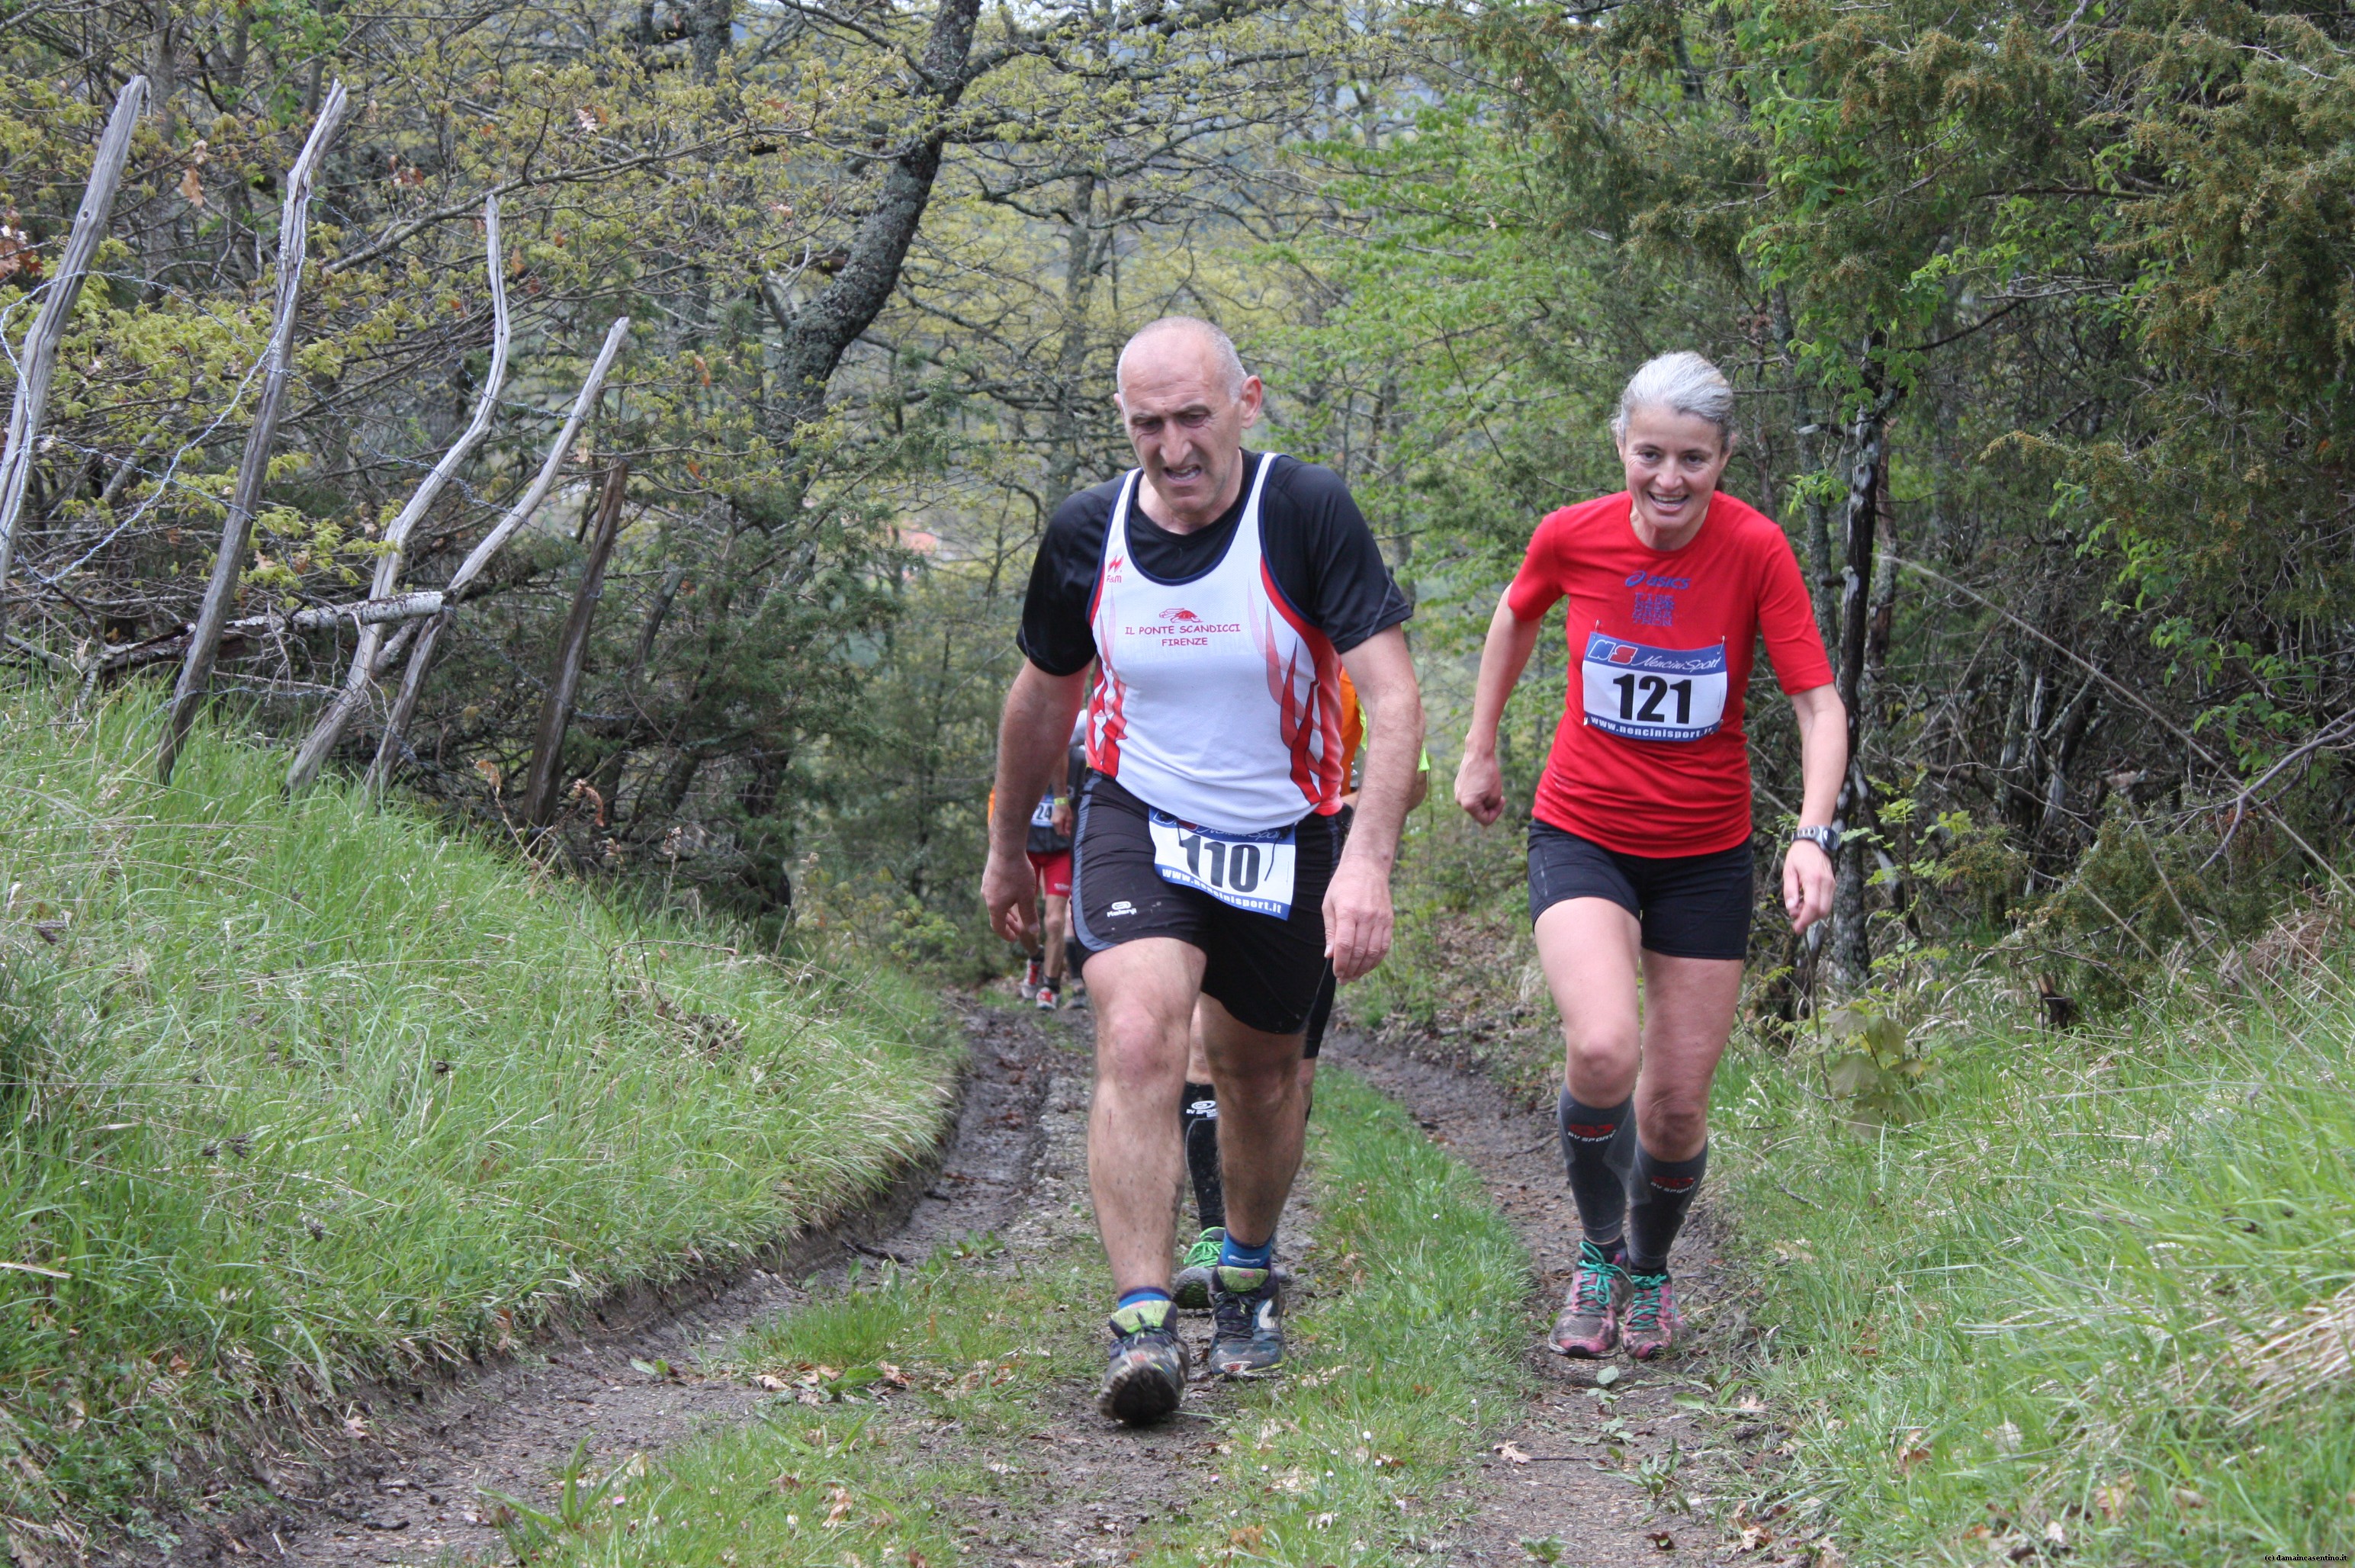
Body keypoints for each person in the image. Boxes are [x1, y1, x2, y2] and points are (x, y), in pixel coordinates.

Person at [982, 316, 1423, 1425]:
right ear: (1123, 426)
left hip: (1287, 830)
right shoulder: (1092, 532)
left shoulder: (1305, 512)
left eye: (1192, 417)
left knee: (1261, 1077)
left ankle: (1245, 1270)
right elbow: (1042, 699)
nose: (1173, 447)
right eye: (1147, 425)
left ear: (1246, 402)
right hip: (1137, 810)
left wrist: (1367, 864)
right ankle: (1141, 1325)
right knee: (1137, 1035)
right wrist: (1003, 850)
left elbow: (1398, 696)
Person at [1454, 352, 1845, 1363]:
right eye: (1651, 455)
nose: (1669, 480)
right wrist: (1480, 745)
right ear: (1621, 446)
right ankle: (1596, 1253)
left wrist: (1810, 833)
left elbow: (1817, 702)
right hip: (1582, 831)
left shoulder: (1756, 550)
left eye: (1693, 460)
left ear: (1723, 459)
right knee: (1600, 1050)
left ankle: (1650, 1271)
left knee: (1673, 1107)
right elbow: (1516, 613)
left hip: (1706, 856)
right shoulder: (1572, 536)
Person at [1170, 667, 1429, 1308]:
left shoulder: (1361, 662)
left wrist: (1349, 816)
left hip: (1311, 850)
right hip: (1205, 838)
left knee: (1291, 1067)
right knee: (1205, 1042)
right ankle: (1213, 1235)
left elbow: (1415, 776)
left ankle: (1253, 1233)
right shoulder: (1235, 627)